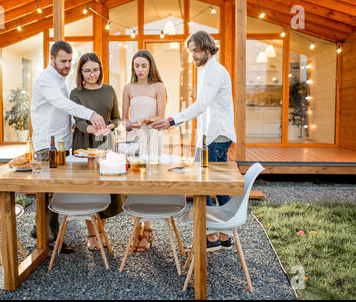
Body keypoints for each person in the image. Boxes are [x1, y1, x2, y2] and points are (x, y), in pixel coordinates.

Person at [152, 31, 236, 252]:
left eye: (196, 51)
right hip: (217, 135)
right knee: (217, 185)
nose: (193, 56)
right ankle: (226, 234)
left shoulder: (213, 71)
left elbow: (201, 105)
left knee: (204, 184)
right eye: (191, 52)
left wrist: (172, 120)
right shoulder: (211, 70)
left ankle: (210, 236)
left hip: (216, 137)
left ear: (208, 49)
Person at [30, 40, 106, 253]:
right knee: (47, 193)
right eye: (63, 61)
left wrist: (74, 123)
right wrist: (90, 114)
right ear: (51, 58)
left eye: (70, 61)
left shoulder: (60, 79)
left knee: (53, 193)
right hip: (47, 145)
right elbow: (62, 104)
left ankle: (44, 234)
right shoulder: (47, 80)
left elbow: (61, 112)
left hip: (63, 143)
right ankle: (46, 240)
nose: (67, 65)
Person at [70, 52, 123, 251]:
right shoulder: (76, 93)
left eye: (95, 70)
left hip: (106, 143)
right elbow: (79, 122)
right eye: (87, 71)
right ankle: (92, 234)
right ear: (81, 72)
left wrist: (108, 128)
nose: (92, 75)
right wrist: (92, 128)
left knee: (106, 188)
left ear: (100, 70)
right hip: (84, 142)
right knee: (89, 189)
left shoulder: (109, 90)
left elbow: (117, 118)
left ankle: (101, 231)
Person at [122, 49, 167, 252]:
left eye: (143, 65)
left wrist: (145, 120)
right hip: (133, 138)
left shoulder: (159, 87)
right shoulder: (128, 88)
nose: (139, 69)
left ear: (150, 67)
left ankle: (148, 230)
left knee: (149, 182)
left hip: (152, 138)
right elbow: (123, 116)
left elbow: (161, 116)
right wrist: (128, 124)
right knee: (132, 183)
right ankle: (135, 230)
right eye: (136, 65)